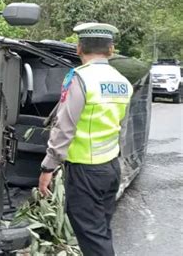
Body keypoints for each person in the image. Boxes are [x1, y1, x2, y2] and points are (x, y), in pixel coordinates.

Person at [38, 22, 132, 256]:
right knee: (100, 231)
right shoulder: (122, 82)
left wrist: (48, 167)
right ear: (111, 49)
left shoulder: (80, 79)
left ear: (79, 48)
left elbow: (64, 127)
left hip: (86, 172)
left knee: (92, 236)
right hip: (111, 167)